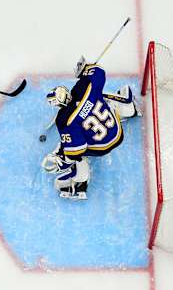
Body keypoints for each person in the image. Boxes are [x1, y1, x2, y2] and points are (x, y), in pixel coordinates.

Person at [41, 57, 141, 200]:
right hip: (117, 132)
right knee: (103, 98)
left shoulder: (64, 120)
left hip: (103, 147)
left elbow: (77, 149)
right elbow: (99, 72)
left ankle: (79, 181)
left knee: (72, 150)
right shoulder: (84, 88)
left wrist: (61, 161)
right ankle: (130, 108)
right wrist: (85, 70)